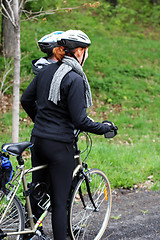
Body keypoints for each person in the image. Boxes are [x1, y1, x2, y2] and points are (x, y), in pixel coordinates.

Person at [21, 29, 115, 240]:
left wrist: (41, 121)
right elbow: (80, 120)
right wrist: (105, 128)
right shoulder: (75, 79)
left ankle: (30, 232)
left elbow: (26, 100)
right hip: (59, 146)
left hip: (38, 141)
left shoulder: (45, 71)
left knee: (38, 190)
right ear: (79, 52)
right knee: (60, 202)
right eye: (86, 51)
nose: (86, 55)